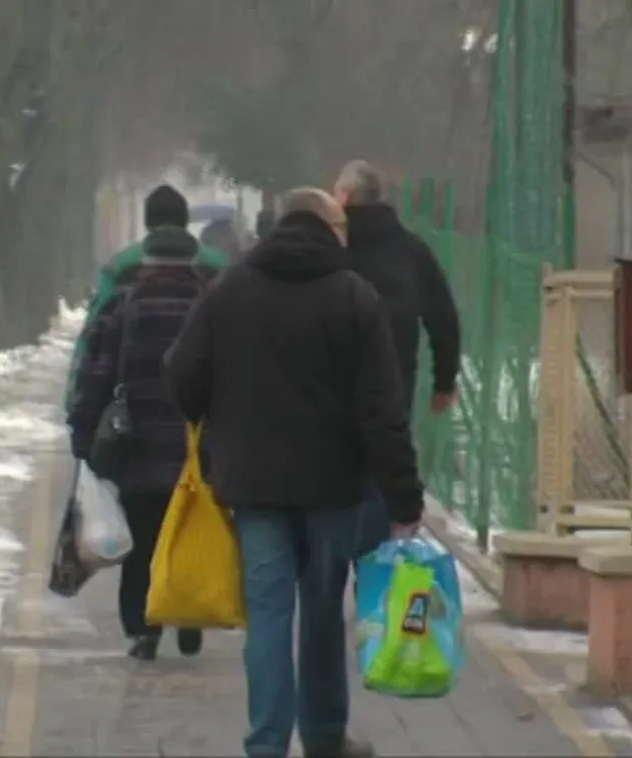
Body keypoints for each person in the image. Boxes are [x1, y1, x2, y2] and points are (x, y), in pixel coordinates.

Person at [165, 188, 424, 758]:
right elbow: (382, 410)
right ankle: (325, 736)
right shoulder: (354, 297)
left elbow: (182, 372)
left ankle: (265, 743)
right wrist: (404, 497)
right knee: (323, 609)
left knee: (268, 613)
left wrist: (221, 422)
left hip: (253, 483)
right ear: (330, 228)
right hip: (333, 488)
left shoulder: (229, 290)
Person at [66, 204, 219, 661]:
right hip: (196, 444)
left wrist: (82, 430)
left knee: (143, 537)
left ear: (147, 258)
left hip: (137, 441)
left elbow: (97, 370)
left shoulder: (123, 305)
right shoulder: (211, 306)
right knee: (189, 530)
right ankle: (190, 613)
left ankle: (142, 628)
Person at [333, 159, 461, 557]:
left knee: (333, 472)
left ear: (346, 197)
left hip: (328, 382)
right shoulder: (411, 249)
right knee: (383, 467)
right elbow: (443, 318)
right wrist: (444, 380)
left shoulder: (329, 247)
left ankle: (334, 561)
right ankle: (372, 565)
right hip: (393, 383)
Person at [66, 185, 227, 405]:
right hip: (205, 403)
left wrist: (77, 398)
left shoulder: (121, 267)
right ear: (185, 221)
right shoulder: (218, 266)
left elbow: (95, 333)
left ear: (147, 223)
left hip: (137, 400)